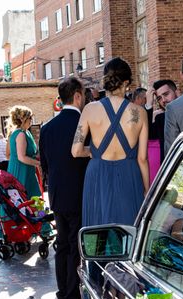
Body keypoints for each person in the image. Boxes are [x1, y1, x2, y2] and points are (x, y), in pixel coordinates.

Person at [72, 57, 149, 227]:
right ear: (127, 82)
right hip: (129, 175)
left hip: (98, 174)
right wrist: (146, 189)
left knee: (99, 231)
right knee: (130, 232)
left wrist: (91, 151)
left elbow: (76, 151)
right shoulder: (139, 112)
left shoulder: (90, 109)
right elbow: (142, 158)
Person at [40, 77, 89, 299]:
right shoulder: (84, 123)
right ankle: (74, 296)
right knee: (77, 246)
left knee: (62, 246)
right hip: (81, 192)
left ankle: (64, 297)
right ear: (78, 96)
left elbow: (45, 165)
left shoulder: (47, 128)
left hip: (58, 194)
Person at [0, 105, 50, 237]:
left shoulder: (21, 133)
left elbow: (9, 155)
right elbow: (21, 157)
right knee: (29, 199)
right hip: (22, 173)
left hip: (21, 170)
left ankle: (37, 226)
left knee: (30, 199)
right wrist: (39, 163)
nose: (32, 120)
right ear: (24, 119)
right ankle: (40, 227)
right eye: (30, 117)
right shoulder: (20, 134)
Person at [150, 79, 178, 162]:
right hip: (169, 167)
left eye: (166, 94)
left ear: (176, 92)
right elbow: (148, 136)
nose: (163, 100)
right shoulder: (160, 119)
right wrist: (148, 105)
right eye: (159, 98)